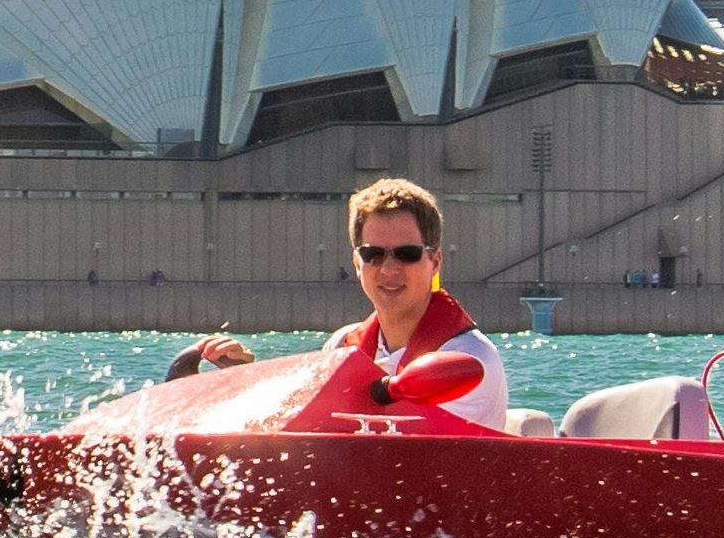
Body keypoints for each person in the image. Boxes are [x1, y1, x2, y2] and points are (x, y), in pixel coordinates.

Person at [169, 177, 505, 423]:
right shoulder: (345, 344)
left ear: (434, 261)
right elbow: (307, 421)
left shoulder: (470, 361)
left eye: (406, 254)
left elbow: (403, 454)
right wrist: (244, 382)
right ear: (357, 263)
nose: (388, 269)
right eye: (373, 254)